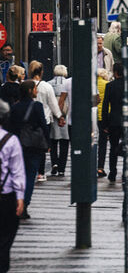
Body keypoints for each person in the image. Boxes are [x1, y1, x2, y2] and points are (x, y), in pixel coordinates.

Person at [9, 81, 45, 218]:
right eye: (35, 89)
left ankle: (16, 203)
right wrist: (46, 143)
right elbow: (43, 125)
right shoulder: (37, 106)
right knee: (30, 176)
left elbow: (10, 127)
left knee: (17, 175)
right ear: (30, 90)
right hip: (33, 146)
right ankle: (24, 205)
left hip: (18, 145)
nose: (37, 91)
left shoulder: (15, 107)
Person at [0, 100, 25, 271]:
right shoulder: (11, 140)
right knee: (6, 235)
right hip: (6, 194)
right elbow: (17, 171)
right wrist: (20, 197)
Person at [47, 65, 70, 177]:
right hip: (66, 115)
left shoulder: (49, 84)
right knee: (64, 142)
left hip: (53, 114)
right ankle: (62, 168)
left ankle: (54, 163)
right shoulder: (68, 83)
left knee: (53, 141)